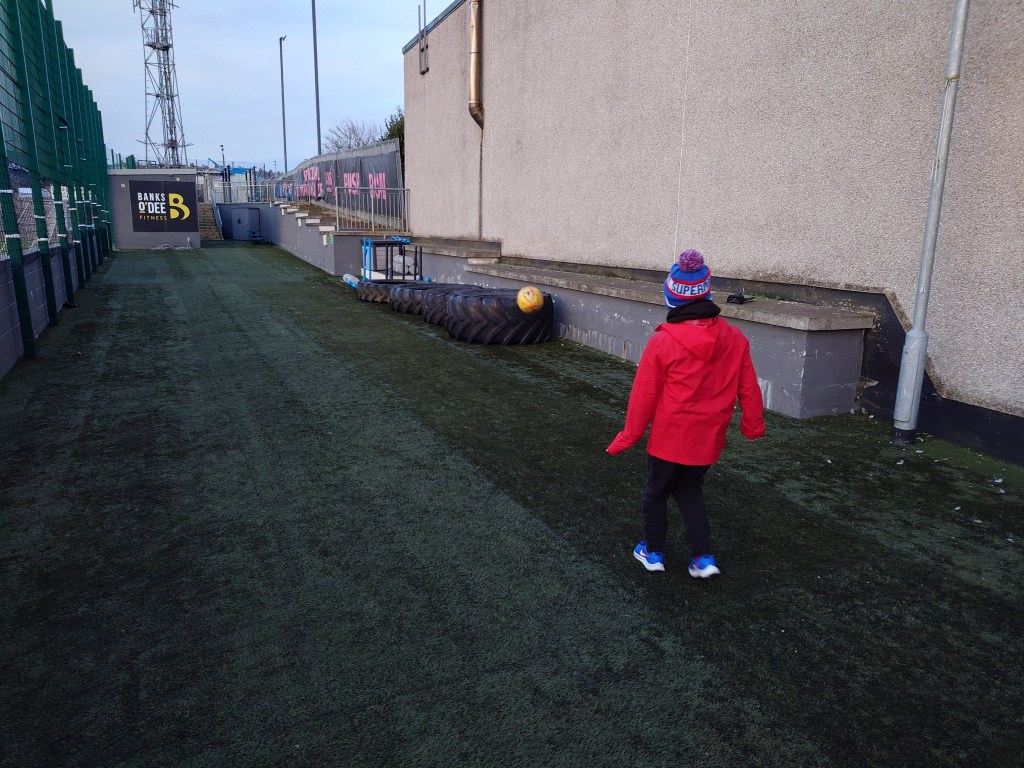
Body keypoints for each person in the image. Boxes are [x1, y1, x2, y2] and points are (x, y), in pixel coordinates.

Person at [606, 249, 765, 577]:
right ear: (706, 293)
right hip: (708, 438)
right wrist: (752, 425)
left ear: (671, 299)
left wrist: (627, 437)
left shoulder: (662, 343)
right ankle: (702, 558)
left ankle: (653, 551)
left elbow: (643, 396)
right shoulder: (735, 339)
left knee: (655, 494)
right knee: (689, 490)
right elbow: (749, 387)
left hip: (669, 438)